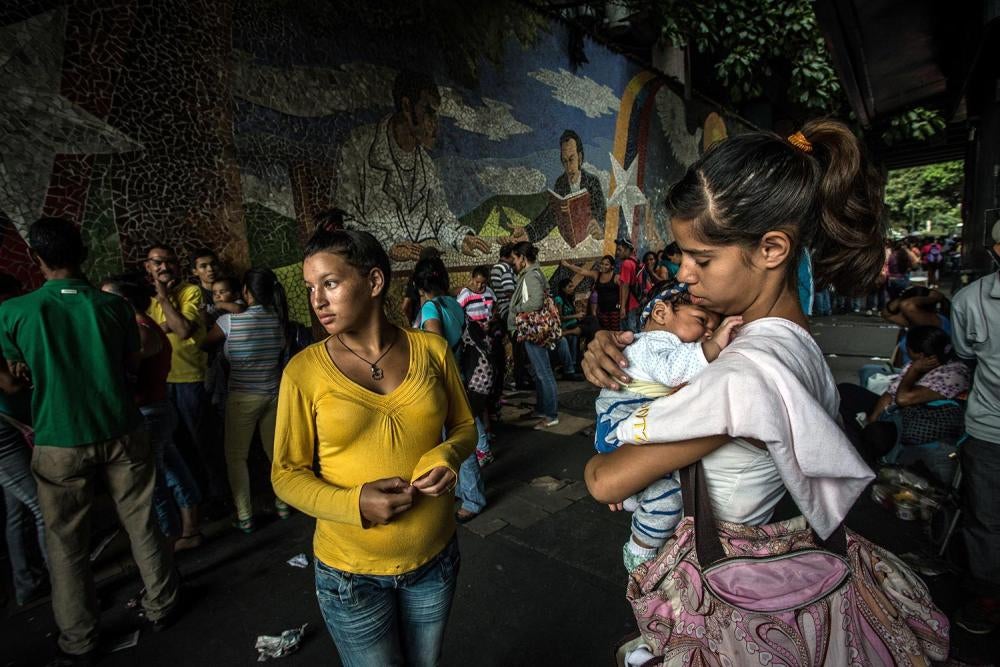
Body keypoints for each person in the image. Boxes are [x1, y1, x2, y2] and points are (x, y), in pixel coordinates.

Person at [580, 122, 948, 662]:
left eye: (701, 258)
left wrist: (623, 411)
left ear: (773, 247)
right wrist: (618, 351)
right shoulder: (789, 342)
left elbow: (601, 478)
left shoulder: (746, 373)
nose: (683, 274)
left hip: (727, 592)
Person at [271, 228, 475, 666]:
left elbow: (463, 426)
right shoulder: (304, 372)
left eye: (330, 283)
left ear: (374, 282)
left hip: (434, 560)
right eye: (311, 288)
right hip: (350, 576)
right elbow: (285, 475)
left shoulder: (432, 351)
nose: (317, 300)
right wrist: (353, 503)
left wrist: (447, 455)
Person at [1, 218, 180, 664]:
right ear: (83, 254)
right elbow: (129, 363)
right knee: (142, 523)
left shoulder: (13, 312)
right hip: (120, 426)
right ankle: (163, 604)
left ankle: (78, 638)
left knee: (65, 544)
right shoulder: (113, 307)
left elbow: (15, 378)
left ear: (36, 259)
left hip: (58, 439)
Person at [594, 281, 741, 571]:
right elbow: (675, 372)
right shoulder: (655, 342)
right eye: (702, 321)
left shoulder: (660, 344)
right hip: (622, 422)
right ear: (660, 313)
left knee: (665, 495)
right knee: (669, 497)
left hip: (623, 425)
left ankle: (635, 500)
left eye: (713, 326)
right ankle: (639, 550)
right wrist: (715, 345)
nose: (709, 332)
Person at [333, 69, 489, 261]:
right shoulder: (358, 147)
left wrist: (460, 237)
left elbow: (439, 219)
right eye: (429, 112)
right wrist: (388, 245)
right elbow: (347, 221)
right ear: (407, 107)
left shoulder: (426, 165)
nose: (435, 125)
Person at [100, 276, 203, 551]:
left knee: (152, 481)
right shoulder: (142, 328)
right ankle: (189, 530)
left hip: (149, 413)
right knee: (173, 472)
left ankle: (166, 541)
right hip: (156, 409)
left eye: (106, 297)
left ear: (123, 301)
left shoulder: (141, 331)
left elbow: (123, 376)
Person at [202, 268, 289, 533]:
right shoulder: (278, 318)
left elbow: (204, 344)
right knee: (276, 454)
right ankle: (283, 504)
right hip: (273, 395)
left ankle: (245, 516)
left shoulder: (228, 322)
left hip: (242, 398)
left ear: (246, 292)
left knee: (236, 458)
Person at [949, 220, 1000, 634]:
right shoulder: (971, 300)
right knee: (986, 518)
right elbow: (966, 355)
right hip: (989, 429)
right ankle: (986, 599)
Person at [144, 244, 223, 506]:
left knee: (204, 444)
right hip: (162, 384)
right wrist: (162, 324)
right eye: (158, 262)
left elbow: (183, 330)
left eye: (169, 261)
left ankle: (217, 498)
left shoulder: (190, 292)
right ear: (148, 267)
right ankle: (194, 501)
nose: (164, 267)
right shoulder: (145, 299)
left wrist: (165, 300)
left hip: (191, 379)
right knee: (178, 449)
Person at [837, 325, 970, 474]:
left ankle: (864, 464)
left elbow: (903, 399)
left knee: (876, 435)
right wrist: (872, 419)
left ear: (919, 354)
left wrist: (914, 371)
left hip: (919, 422)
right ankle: (857, 446)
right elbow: (890, 393)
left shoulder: (954, 374)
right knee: (844, 392)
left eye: (907, 347)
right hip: (897, 414)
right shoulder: (917, 363)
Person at [414, 257, 487, 521]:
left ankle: (473, 499)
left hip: (444, 382)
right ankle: (463, 489)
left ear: (419, 286)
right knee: (458, 437)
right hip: (461, 377)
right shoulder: (453, 303)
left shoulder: (431, 309)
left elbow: (435, 347)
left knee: (454, 442)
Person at [0, 273, 47, 607]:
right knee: (44, 507)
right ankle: (65, 585)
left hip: (13, 426)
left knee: (17, 510)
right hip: (4, 432)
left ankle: (28, 583)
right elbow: (11, 385)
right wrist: (31, 371)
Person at [512, 129, 607, 243]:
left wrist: (601, 228)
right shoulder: (561, 183)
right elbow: (550, 216)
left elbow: (602, 214)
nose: (568, 167)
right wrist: (527, 232)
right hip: (569, 242)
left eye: (571, 160)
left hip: (589, 241)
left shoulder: (592, 182)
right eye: (564, 161)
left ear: (580, 158)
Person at [508, 242, 560, 430]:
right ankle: (541, 408)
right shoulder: (534, 273)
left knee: (543, 373)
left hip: (533, 330)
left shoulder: (531, 276)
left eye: (515, 258)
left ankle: (551, 415)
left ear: (522, 258)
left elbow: (536, 302)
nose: (514, 262)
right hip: (536, 329)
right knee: (540, 373)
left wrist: (516, 309)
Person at [457, 266, 499, 467]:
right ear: (471, 279)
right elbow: (459, 317)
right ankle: (484, 439)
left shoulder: (490, 293)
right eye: (477, 282)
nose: (479, 285)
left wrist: (491, 323)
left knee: (483, 393)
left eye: (483, 282)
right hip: (473, 348)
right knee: (477, 393)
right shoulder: (465, 295)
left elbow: (495, 310)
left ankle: (486, 436)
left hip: (487, 343)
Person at [561, 255, 619, 331]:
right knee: (606, 332)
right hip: (602, 310)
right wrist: (567, 265)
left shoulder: (616, 277)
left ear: (612, 266)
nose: (603, 266)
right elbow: (581, 271)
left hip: (614, 311)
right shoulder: (597, 275)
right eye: (602, 263)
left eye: (606, 264)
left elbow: (623, 292)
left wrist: (620, 306)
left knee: (616, 331)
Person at [553, 278, 585, 380]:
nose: (572, 288)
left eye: (572, 286)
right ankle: (573, 365)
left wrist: (578, 312)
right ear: (563, 288)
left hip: (573, 323)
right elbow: (560, 317)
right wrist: (576, 315)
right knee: (575, 335)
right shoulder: (559, 299)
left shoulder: (569, 298)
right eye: (569, 286)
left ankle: (574, 364)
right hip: (566, 325)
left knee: (589, 323)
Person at [616, 239, 642, 332]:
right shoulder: (636, 261)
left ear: (627, 250)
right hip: (638, 302)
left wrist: (622, 308)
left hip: (629, 305)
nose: (617, 253)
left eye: (620, 250)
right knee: (637, 330)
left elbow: (625, 286)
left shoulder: (626, 264)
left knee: (630, 333)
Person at [189, 247, 221, 321]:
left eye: (213, 264)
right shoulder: (196, 295)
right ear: (195, 272)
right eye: (203, 266)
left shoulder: (231, 287)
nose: (210, 269)